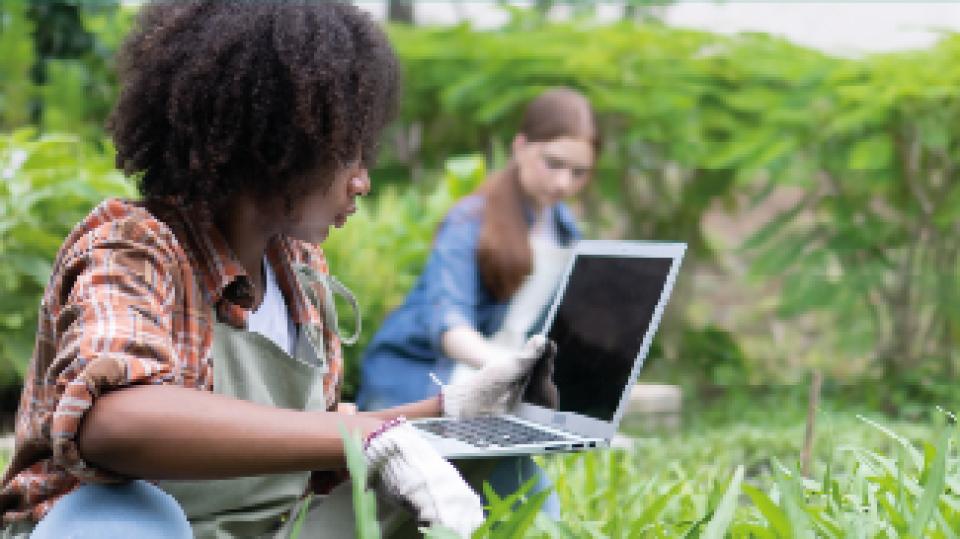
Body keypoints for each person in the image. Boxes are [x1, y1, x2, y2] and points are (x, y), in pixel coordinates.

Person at [0, 3, 552, 538]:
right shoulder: (135, 249)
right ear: (278, 144)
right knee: (128, 516)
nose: (362, 182)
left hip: (273, 529)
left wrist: (446, 412)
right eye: (348, 156)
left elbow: (312, 449)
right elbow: (114, 424)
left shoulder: (301, 275)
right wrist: (363, 432)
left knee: (489, 465)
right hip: (125, 526)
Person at [356, 87, 600, 516]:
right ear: (520, 146)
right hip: (421, 379)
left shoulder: (567, 231)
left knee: (531, 494)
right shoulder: (470, 219)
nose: (564, 182)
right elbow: (451, 330)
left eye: (578, 172)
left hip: (496, 382)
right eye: (553, 163)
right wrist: (508, 372)